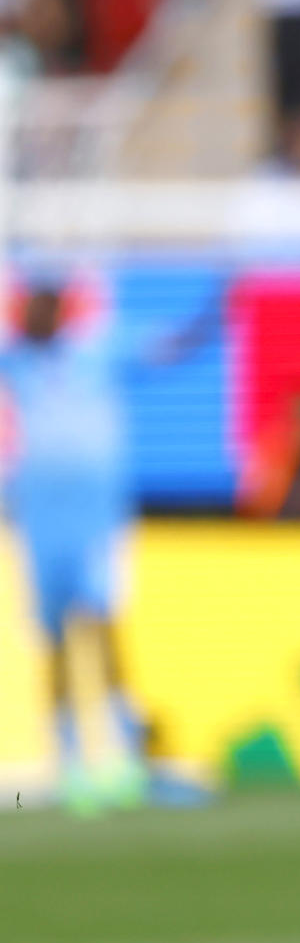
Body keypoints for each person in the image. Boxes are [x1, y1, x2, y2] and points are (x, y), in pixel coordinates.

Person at [0, 277, 145, 811]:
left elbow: (169, 349)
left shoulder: (95, 355)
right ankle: (65, 758)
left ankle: (126, 750)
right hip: (41, 521)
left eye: (45, 306)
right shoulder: (15, 362)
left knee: (105, 628)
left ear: (61, 312)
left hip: (96, 521)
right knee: (54, 638)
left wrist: (217, 309)